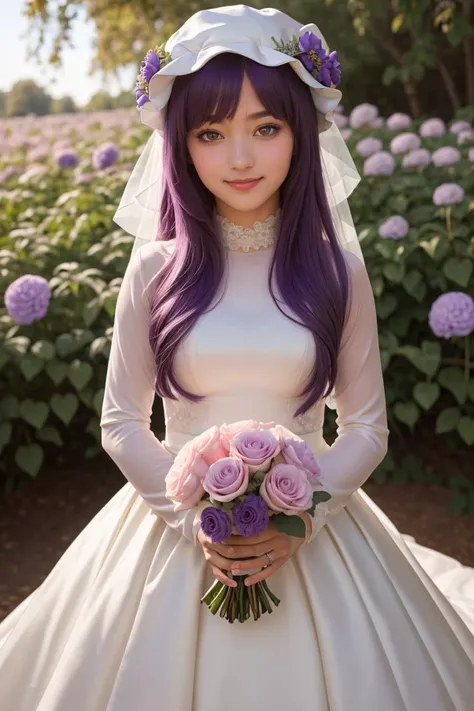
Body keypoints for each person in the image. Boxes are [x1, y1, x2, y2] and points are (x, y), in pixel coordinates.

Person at [0, 5, 473, 710]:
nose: (241, 158)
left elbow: (367, 427)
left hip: (313, 530)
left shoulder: (335, 268)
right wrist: (194, 518)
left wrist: (299, 518)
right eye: (212, 133)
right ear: (181, 145)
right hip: (176, 526)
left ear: (302, 133)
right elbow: (121, 419)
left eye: (267, 128)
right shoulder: (157, 267)